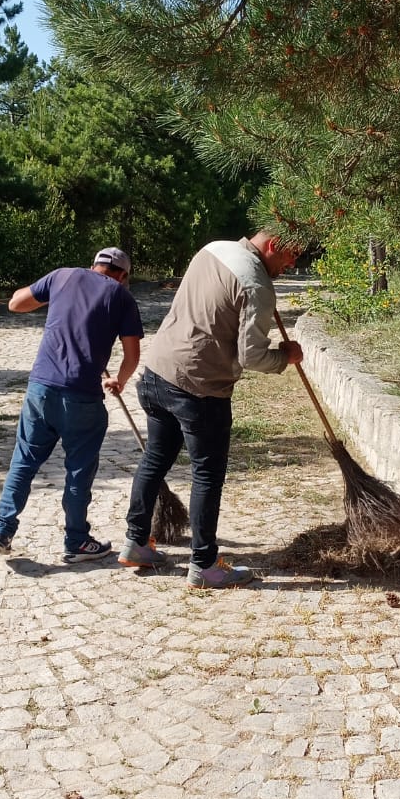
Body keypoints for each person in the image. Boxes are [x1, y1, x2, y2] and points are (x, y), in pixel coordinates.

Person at [119, 230, 303, 588]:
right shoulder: (257, 286)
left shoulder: (212, 248)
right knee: (207, 475)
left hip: (158, 372)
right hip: (200, 389)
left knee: (155, 458)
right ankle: (203, 564)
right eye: (290, 256)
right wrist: (286, 356)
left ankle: (136, 542)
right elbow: (252, 356)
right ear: (272, 246)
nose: (292, 263)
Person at [0, 247, 143, 562]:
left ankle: (2, 530)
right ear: (123, 276)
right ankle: (76, 541)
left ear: (94, 265)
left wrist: (54, 296)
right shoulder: (122, 297)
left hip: (40, 389)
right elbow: (132, 356)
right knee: (78, 471)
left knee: (24, 461)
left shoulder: (62, 276)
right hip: (82, 397)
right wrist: (120, 381)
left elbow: (16, 303)